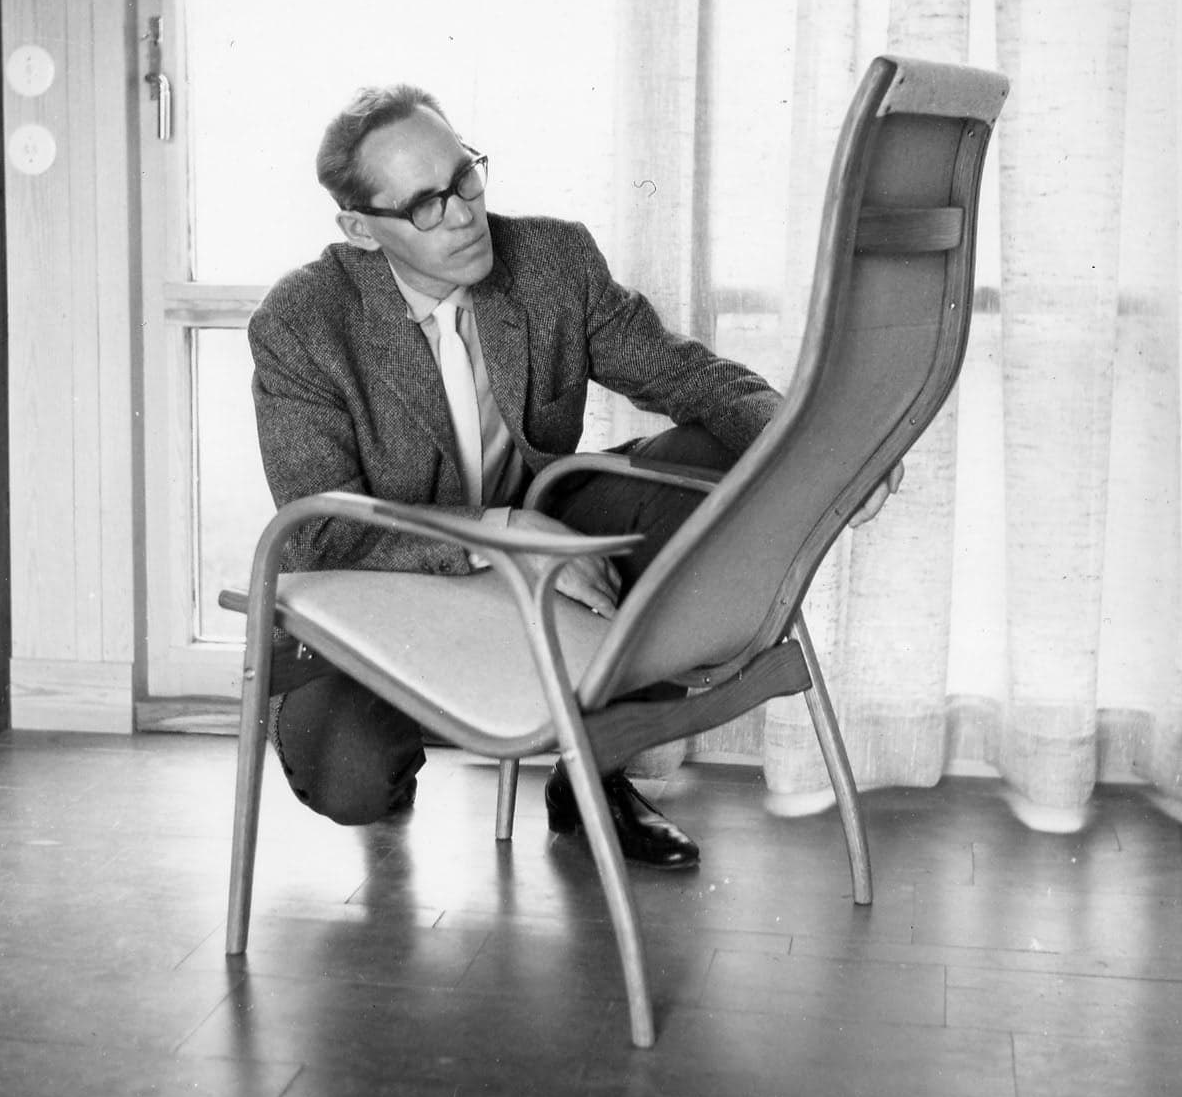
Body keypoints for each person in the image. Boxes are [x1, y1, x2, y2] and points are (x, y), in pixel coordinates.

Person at [248, 84, 902, 869]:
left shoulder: (550, 261)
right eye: (424, 205)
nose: (462, 215)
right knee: (352, 783)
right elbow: (321, 533)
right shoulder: (302, 320)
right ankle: (406, 736)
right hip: (386, 581)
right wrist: (502, 535)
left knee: (712, 457)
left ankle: (591, 772)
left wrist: (823, 455)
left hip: (550, 535)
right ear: (360, 229)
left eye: (464, 177)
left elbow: (689, 378)